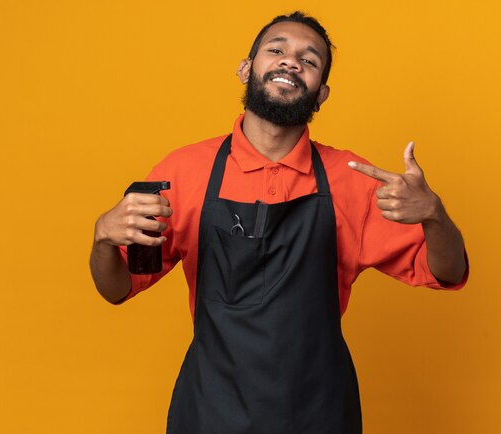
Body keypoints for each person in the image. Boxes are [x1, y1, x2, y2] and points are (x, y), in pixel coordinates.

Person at [90, 11, 468, 434]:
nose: (291, 62)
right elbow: (117, 288)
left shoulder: (350, 178)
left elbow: (448, 272)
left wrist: (435, 215)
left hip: (318, 413)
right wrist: (103, 239)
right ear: (246, 69)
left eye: (309, 60)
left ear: (322, 93)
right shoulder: (184, 171)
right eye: (276, 50)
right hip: (211, 411)